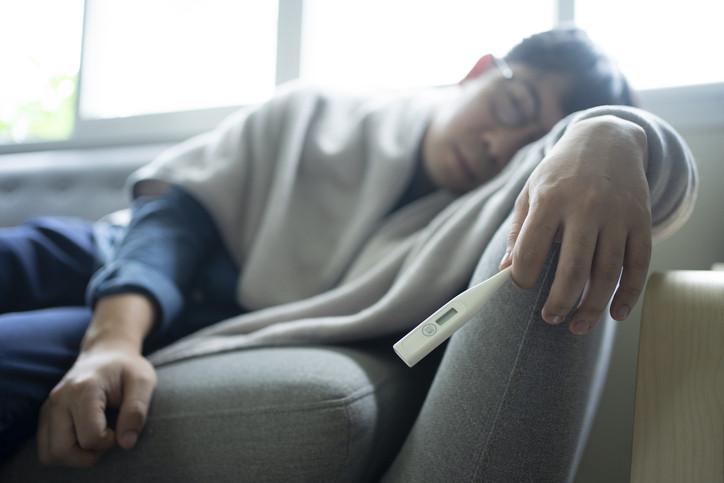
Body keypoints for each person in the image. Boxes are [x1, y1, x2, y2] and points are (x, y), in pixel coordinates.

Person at [0, 26, 696, 471]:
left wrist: (611, 138)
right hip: (110, 251)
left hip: (193, 317)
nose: (496, 146)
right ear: (480, 67)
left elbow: (657, 176)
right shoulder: (319, 111)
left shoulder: (486, 210)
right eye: (512, 105)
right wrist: (111, 339)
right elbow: (175, 216)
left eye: (531, 141)